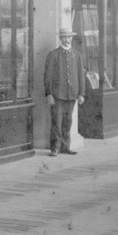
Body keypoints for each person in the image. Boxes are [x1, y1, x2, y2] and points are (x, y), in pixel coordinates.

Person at [43, 26, 85, 157]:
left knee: (68, 122)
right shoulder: (53, 55)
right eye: (65, 37)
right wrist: (48, 93)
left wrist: (81, 93)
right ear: (60, 38)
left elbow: (80, 75)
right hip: (57, 95)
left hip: (71, 95)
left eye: (69, 37)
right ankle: (55, 148)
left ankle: (65, 147)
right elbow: (48, 76)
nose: (67, 39)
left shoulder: (77, 55)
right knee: (57, 122)